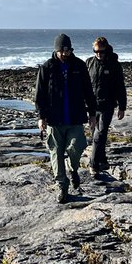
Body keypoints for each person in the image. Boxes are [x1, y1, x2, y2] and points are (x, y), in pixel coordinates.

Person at [34, 33, 97, 203]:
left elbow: (88, 92)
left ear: (71, 49)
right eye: (61, 50)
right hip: (54, 120)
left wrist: (92, 114)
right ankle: (62, 186)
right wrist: (41, 116)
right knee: (55, 153)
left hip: (75, 118)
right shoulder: (47, 67)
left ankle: (73, 167)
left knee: (77, 147)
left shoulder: (79, 66)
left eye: (67, 50)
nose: (64, 53)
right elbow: (39, 94)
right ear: (56, 50)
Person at [85, 36, 127, 175]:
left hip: (107, 105)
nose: (98, 54)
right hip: (91, 106)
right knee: (96, 136)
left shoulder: (114, 65)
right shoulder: (89, 63)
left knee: (100, 134)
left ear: (107, 50)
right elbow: (83, 86)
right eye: (95, 51)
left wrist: (122, 107)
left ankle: (93, 165)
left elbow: (120, 86)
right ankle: (102, 160)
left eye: (101, 51)